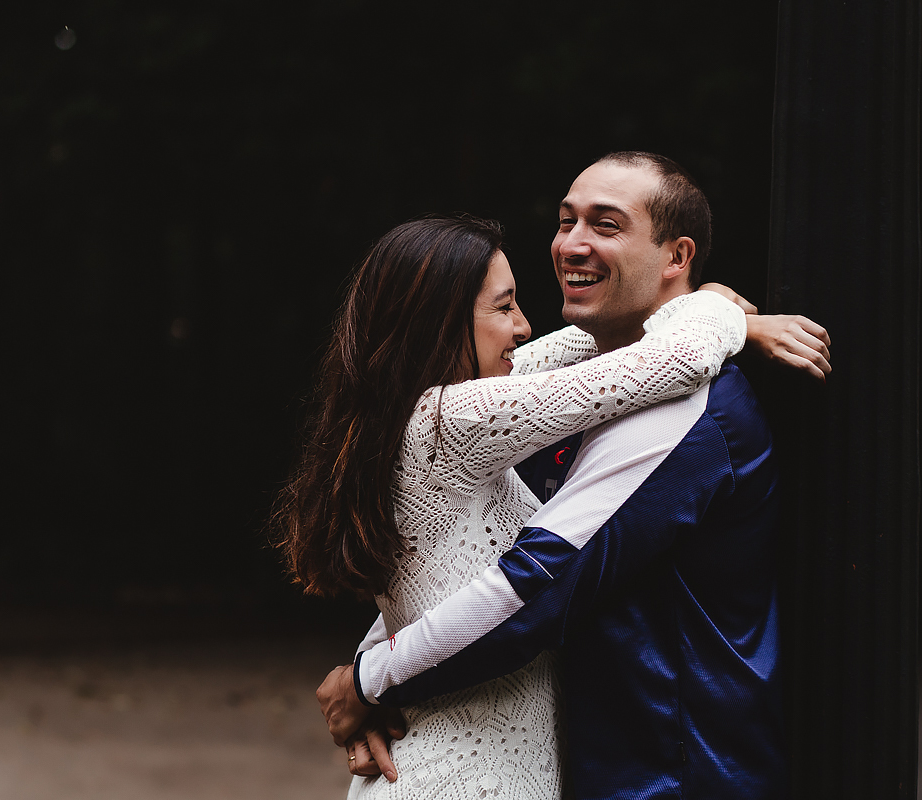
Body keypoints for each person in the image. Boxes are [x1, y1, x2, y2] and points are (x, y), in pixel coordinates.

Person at [318, 152, 830, 799]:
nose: (572, 244)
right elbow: (459, 562)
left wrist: (369, 680)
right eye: (566, 221)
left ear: (676, 257)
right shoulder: (533, 403)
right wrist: (376, 672)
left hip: (671, 779)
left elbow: (535, 584)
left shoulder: (683, 414)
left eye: (606, 224)